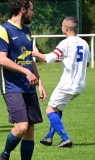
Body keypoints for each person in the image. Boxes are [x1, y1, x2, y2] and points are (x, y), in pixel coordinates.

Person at [0, 0, 46, 160]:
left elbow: (28, 58)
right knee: (21, 127)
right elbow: (2, 59)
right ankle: (5, 155)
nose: (33, 12)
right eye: (31, 9)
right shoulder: (4, 30)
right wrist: (26, 73)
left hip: (29, 86)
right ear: (23, 9)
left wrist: (39, 82)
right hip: (11, 86)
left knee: (30, 129)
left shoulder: (26, 30)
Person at [33, 16, 91, 148]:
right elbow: (85, 63)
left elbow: (48, 59)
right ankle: (49, 137)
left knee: (50, 110)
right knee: (58, 107)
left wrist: (36, 53)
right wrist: (65, 59)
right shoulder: (84, 43)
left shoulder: (65, 43)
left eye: (61, 25)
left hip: (67, 84)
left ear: (66, 27)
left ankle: (65, 138)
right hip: (80, 85)